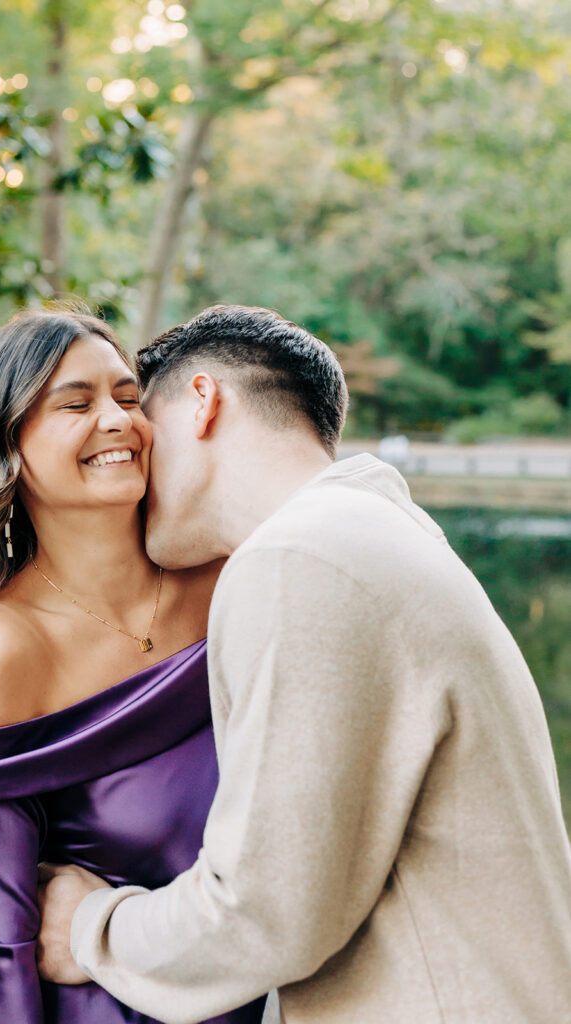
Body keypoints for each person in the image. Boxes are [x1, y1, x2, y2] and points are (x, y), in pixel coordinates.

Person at [37, 304, 571, 1024]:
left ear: (201, 401)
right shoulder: (372, 536)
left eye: (143, 428)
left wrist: (88, 928)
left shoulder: (299, 557)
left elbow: (263, 912)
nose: (132, 470)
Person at [0, 306, 267, 1024]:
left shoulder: (235, 579)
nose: (117, 420)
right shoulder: (2, 647)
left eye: (125, 396)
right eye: (76, 404)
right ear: (7, 445)